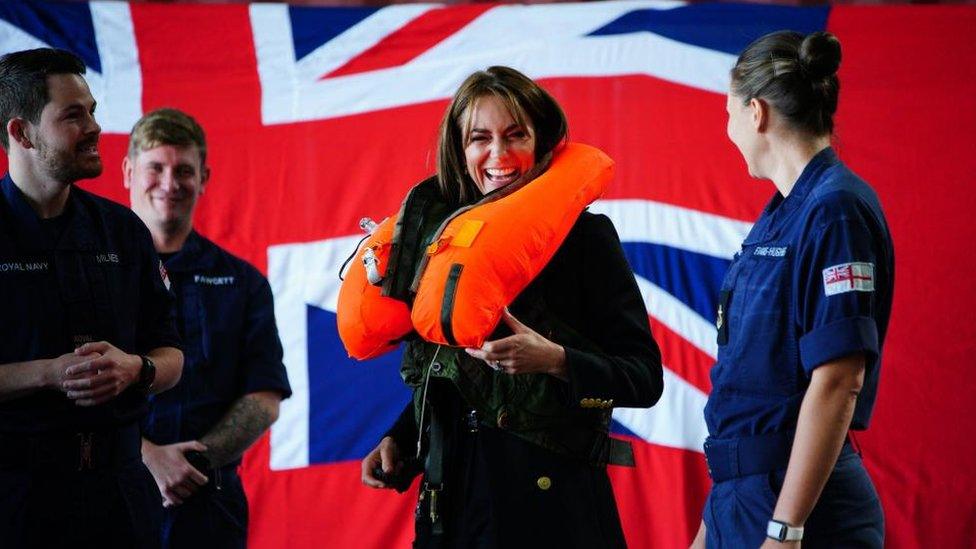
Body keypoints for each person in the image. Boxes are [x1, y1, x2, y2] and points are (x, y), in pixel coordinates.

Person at [359, 66, 663, 548]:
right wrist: (401, 439)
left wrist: (557, 361)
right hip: (453, 510)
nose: (497, 155)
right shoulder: (440, 246)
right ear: (460, 153)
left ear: (541, 143)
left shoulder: (585, 240)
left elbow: (645, 381)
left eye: (514, 135)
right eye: (480, 138)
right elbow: (450, 373)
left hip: (554, 515)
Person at [691, 31, 894, 548]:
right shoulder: (785, 213)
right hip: (745, 499)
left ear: (756, 112)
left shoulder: (835, 210)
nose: (728, 128)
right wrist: (712, 525)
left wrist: (785, 530)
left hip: (799, 510)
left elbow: (839, 380)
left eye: (727, 112)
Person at [0, 48, 184, 548]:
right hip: (16, 498)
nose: (95, 127)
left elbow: (172, 355)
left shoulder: (123, 231)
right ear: (21, 134)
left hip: (120, 492)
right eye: (73, 115)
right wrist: (49, 373)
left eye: (93, 111)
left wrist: (136, 369)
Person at [123, 108, 292, 548]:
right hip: (112, 495)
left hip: (208, 503)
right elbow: (72, 386)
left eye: (184, 170)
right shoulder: (95, 274)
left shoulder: (242, 282)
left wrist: (190, 464)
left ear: (205, 176)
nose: (169, 183)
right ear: (127, 171)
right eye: (155, 167)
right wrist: (148, 457)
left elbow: (264, 399)